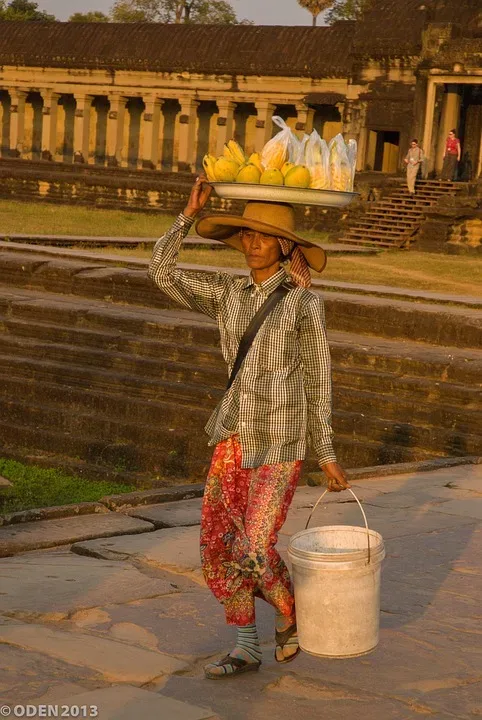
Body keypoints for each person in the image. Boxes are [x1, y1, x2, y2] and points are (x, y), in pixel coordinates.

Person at [148, 175, 349, 680]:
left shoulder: (304, 304)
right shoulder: (228, 295)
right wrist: (187, 217)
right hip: (234, 435)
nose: (252, 243)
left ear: (285, 246)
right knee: (218, 544)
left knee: (255, 548)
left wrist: (325, 451)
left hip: (280, 442)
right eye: (246, 235)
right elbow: (162, 272)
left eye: (263, 236)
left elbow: (318, 381)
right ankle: (245, 645)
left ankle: (288, 611)